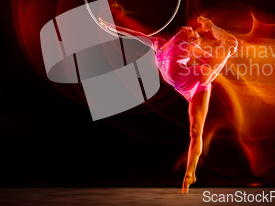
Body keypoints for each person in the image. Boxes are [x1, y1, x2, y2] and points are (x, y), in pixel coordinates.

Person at [99, 16, 238, 193]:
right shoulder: (158, 43)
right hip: (187, 86)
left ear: (191, 38)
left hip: (196, 80)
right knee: (194, 132)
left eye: (194, 31)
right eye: (193, 29)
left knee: (222, 53)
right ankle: (191, 174)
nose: (191, 28)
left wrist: (214, 37)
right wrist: (111, 27)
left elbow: (206, 57)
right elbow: (135, 34)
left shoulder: (191, 47)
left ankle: (189, 175)